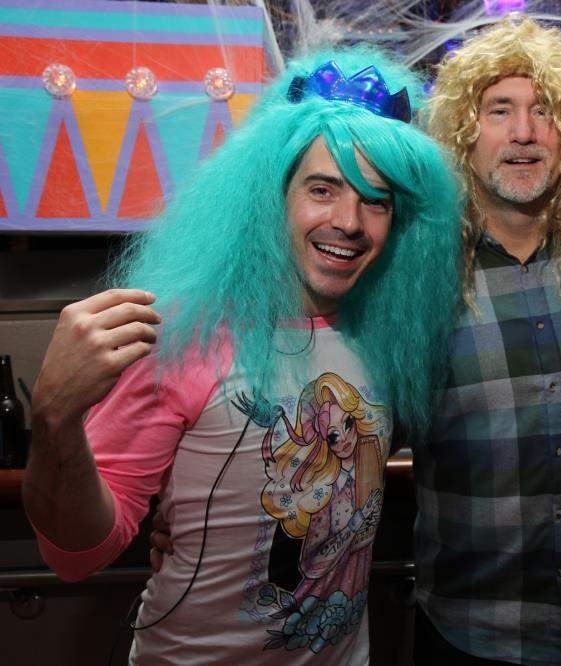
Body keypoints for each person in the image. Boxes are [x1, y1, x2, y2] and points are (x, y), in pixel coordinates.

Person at [22, 48, 462, 664]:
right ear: (270, 195)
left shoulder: (385, 335)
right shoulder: (185, 334)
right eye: (323, 189)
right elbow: (75, 554)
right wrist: (55, 419)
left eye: (377, 200)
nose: (349, 221)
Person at [417, 16, 561, 665]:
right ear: (463, 134)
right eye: (499, 110)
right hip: (474, 631)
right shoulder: (416, 277)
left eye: (544, 110)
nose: (523, 131)